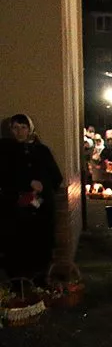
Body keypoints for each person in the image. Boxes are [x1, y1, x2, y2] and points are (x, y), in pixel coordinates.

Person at [0, 114, 63, 282]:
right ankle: (19, 286)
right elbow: (5, 177)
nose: (19, 132)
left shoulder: (41, 150)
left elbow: (56, 177)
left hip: (41, 209)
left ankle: (40, 283)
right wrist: (27, 184)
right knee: (17, 249)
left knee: (41, 247)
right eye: (15, 128)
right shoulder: (5, 151)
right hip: (15, 210)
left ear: (29, 129)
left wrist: (43, 186)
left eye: (23, 127)